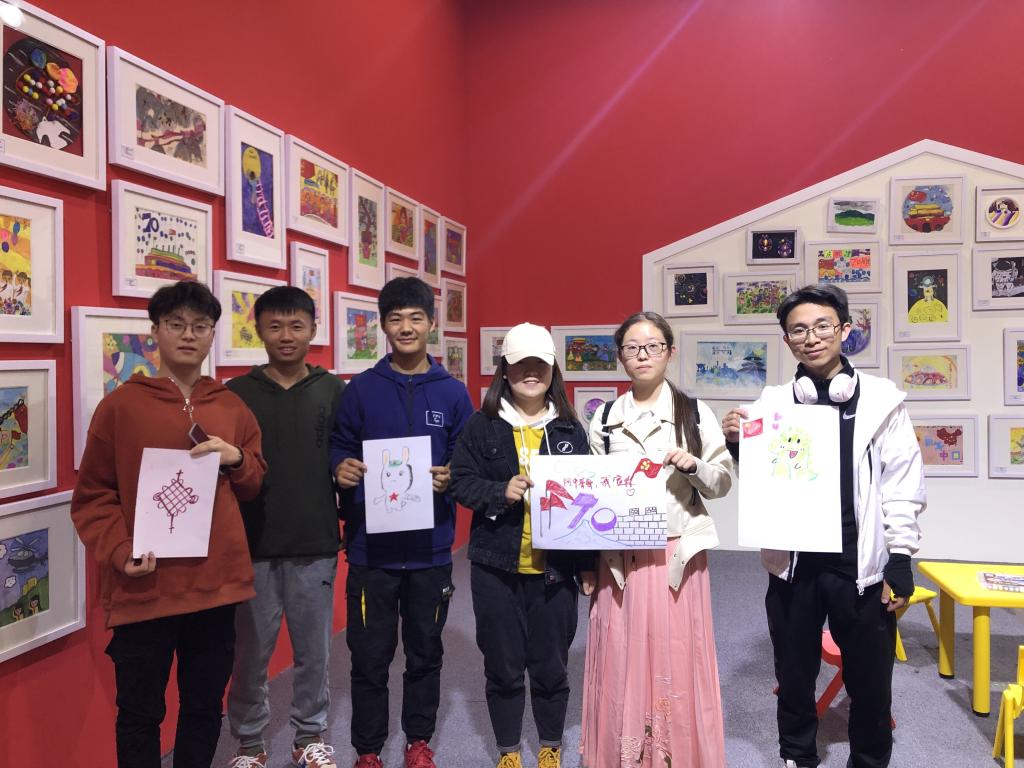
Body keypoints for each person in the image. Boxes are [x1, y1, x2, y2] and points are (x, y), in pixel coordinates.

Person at [720, 284, 926, 768]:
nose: (811, 338)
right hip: (794, 566)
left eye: (821, 326)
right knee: (793, 676)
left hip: (860, 565)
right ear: (787, 340)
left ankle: (869, 761)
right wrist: (738, 446)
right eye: (798, 330)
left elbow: (902, 481)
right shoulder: (772, 402)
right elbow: (765, 483)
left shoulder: (883, 401)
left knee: (870, 682)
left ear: (844, 330)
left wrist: (900, 557)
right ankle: (796, 756)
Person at [70, 280, 267, 768]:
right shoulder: (120, 406)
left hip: (215, 586)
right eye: (176, 324)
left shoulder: (232, 406)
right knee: (140, 713)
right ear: (155, 331)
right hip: (145, 587)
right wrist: (120, 551)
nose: (188, 335)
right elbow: (93, 496)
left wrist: (237, 458)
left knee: (204, 706)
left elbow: (254, 482)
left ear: (213, 334)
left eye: (200, 326)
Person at [329, 277, 473, 768]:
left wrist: (452, 474)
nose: (406, 327)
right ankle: (368, 749)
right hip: (372, 552)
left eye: (415, 318)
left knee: (425, 653)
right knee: (368, 656)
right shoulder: (361, 390)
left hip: (430, 551)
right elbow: (340, 445)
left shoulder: (453, 394)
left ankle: (418, 742)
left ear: (431, 323)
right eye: (396, 319)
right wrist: (340, 467)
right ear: (383, 326)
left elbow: (466, 459)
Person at [581, 311, 733, 768]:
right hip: (621, 555)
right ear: (621, 356)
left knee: (677, 651)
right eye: (632, 347)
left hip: (675, 553)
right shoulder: (604, 417)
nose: (642, 355)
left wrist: (694, 465)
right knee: (620, 653)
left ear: (669, 352)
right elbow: (591, 490)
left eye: (652, 346)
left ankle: (676, 755)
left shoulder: (694, 413)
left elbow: (722, 482)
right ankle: (623, 754)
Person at [448, 323, 594, 768]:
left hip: (556, 570)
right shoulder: (483, 426)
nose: (531, 373)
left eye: (540, 365)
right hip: (496, 566)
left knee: (551, 666)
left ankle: (550, 745)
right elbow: (460, 481)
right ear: (505, 371)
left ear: (552, 370)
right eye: (521, 365)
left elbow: (589, 499)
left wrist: (587, 565)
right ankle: (508, 751)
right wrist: (499, 492)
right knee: (503, 666)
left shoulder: (570, 429)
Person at [225, 287, 345, 768]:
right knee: (250, 655)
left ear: (314, 329)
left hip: (315, 541)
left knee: (314, 652)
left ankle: (309, 736)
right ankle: (249, 743)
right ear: (258, 331)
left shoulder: (333, 390)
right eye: (275, 326)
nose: (286, 336)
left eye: (297, 325)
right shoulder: (237, 393)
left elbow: (348, 454)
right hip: (252, 543)